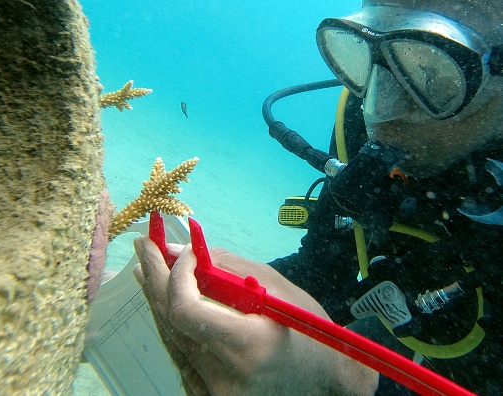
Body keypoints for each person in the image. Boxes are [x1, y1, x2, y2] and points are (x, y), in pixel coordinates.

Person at [133, 0, 503, 394]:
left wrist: (340, 381)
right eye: (367, 58)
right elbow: (324, 273)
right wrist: (233, 293)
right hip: (408, 319)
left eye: (431, 70)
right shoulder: (361, 115)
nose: (382, 109)